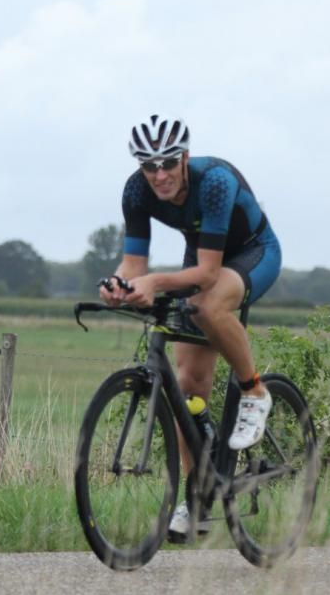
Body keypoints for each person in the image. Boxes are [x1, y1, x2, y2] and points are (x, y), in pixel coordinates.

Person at [102, 114, 282, 539]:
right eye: (149, 166)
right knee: (186, 388)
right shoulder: (135, 190)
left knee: (207, 306)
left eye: (167, 163)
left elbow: (206, 274)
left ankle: (254, 390)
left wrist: (154, 282)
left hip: (253, 252)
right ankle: (197, 492)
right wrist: (120, 285)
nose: (159, 175)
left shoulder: (214, 181)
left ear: (184, 157)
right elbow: (134, 264)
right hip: (202, 254)